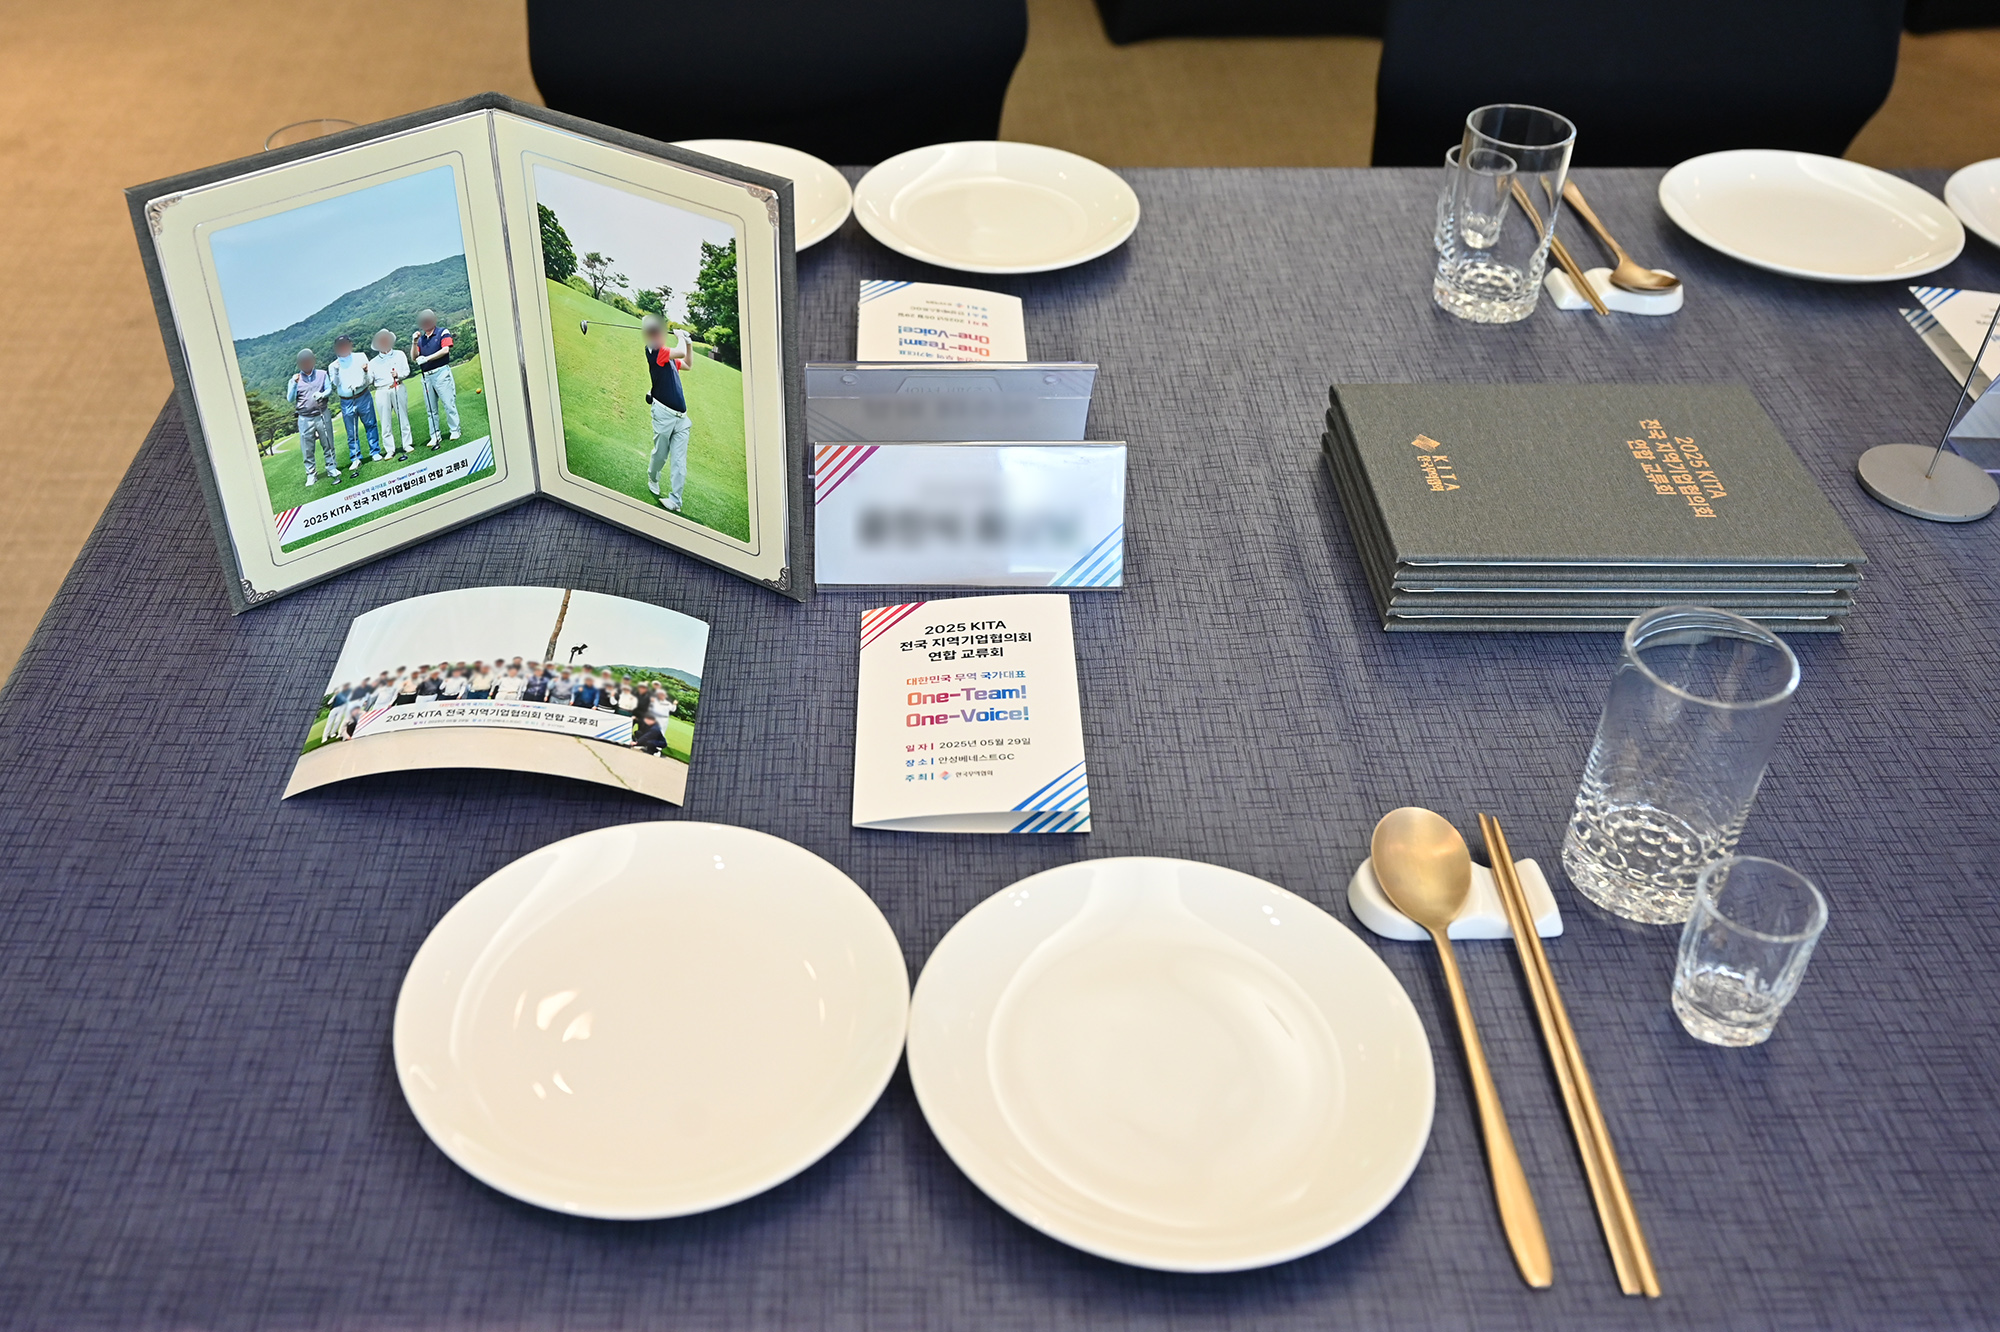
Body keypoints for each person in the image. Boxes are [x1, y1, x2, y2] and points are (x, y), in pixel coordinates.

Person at [640, 315, 691, 513]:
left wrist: (689, 343)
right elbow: (680, 352)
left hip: (682, 419)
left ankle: (675, 500)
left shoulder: (667, 357)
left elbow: (687, 364)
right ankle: (653, 477)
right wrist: (680, 338)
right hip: (664, 415)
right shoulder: (656, 350)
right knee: (660, 455)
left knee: (679, 462)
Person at [327, 335, 384, 470]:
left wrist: (364, 374)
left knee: (370, 424)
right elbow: (336, 383)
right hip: (346, 400)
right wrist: (336, 371)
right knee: (351, 431)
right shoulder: (333, 365)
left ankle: (375, 452)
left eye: (345, 344)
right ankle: (356, 457)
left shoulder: (361, 356)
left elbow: (368, 377)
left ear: (350, 344)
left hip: (363, 395)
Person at [285, 349, 339, 487]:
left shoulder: (322, 374)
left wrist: (322, 395)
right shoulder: (295, 379)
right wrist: (294, 383)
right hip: (304, 417)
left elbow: (328, 389)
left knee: (328, 442)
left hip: (322, 413)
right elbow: (290, 398)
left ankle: (332, 467)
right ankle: (311, 474)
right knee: (307, 448)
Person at [411, 309, 461, 446]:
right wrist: (414, 342)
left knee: (448, 403)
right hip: (426, 376)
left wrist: (427, 358)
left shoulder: (442, 332)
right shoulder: (421, 340)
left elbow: (445, 350)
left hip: (441, 372)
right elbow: (414, 357)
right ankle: (435, 435)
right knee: (431, 409)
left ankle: (455, 430)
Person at [368, 329, 415, 457]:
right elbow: (369, 381)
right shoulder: (372, 362)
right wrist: (365, 372)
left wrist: (398, 375)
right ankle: (390, 449)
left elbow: (406, 371)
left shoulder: (399, 354)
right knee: (385, 421)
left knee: (403, 417)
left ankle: (407, 444)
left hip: (398, 386)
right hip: (382, 391)